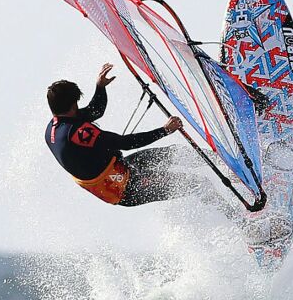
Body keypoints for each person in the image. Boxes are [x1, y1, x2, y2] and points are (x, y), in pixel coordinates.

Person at [45, 63, 195, 207]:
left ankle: (217, 159)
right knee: (192, 182)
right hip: (127, 188)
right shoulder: (77, 133)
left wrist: (100, 87)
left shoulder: (57, 125)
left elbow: (95, 110)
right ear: (73, 105)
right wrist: (164, 130)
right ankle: (219, 205)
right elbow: (125, 143)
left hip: (123, 167)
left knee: (176, 154)